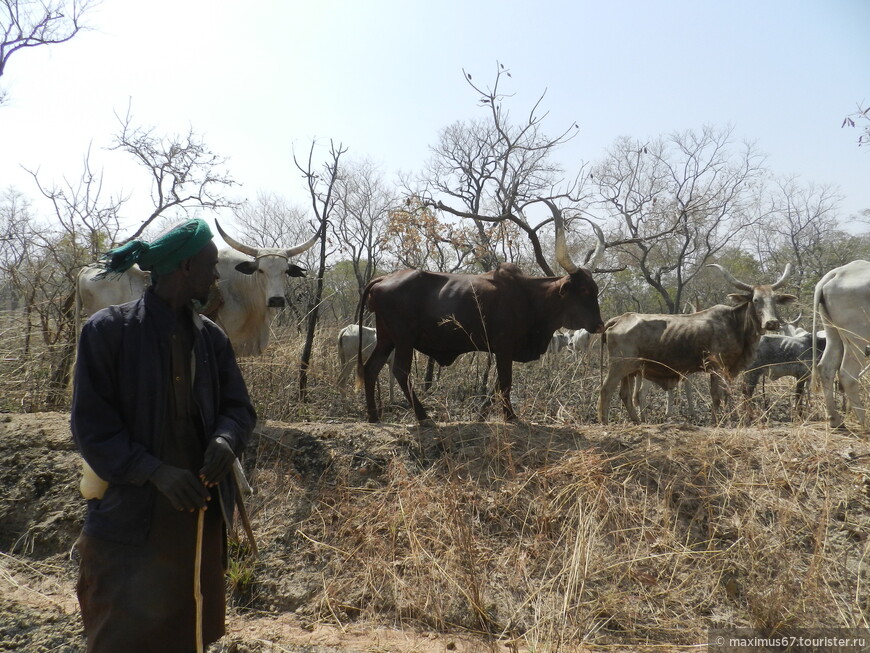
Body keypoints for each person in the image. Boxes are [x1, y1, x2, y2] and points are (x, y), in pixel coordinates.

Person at [71, 218, 257, 653]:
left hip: (197, 522)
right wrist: (154, 471)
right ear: (185, 267)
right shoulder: (107, 332)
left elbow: (239, 409)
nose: (216, 276)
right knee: (120, 631)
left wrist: (227, 440)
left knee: (189, 631)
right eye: (210, 265)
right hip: (129, 519)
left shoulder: (211, 338)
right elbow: (91, 429)